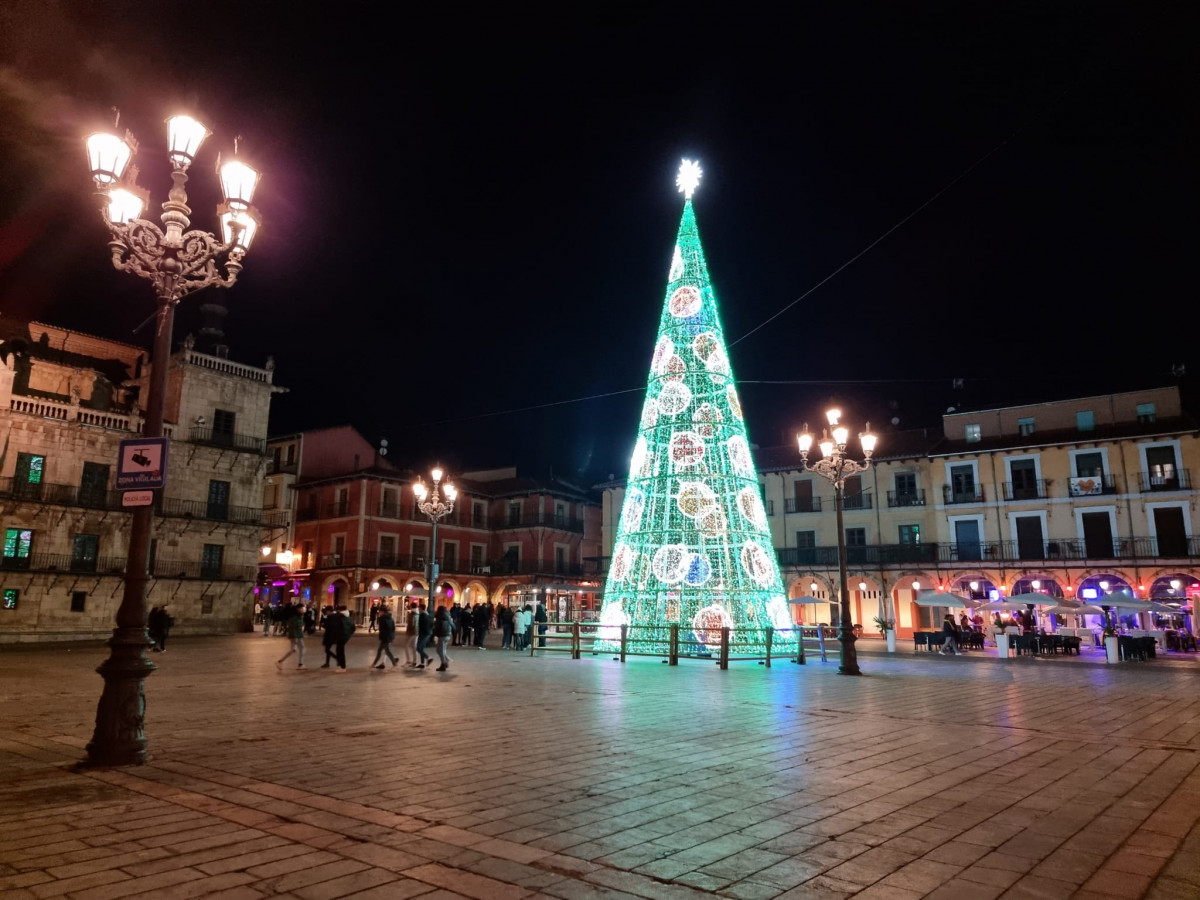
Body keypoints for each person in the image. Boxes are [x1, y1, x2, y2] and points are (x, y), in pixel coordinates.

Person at [277, 601, 307, 670]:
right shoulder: (294, 618)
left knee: (294, 649)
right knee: (300, 648)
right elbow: (292, 628)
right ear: (298, 609)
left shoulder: (300, 617)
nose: (303, 610)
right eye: (302, 608)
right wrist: (295, 636)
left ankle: (281, 661)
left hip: (297, 635)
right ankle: (300, 664)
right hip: (295, 635)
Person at [372, 603, 398, 669]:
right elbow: (393, 628)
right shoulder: (391, 618)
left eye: (379, 611)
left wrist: (382, 636)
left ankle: (394, 664)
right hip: (389, 637)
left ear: (382, 612)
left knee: (387, 651)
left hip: (385, 637)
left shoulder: (382, 619)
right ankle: (374, 664)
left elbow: (382, 629)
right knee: (380, 650)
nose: (379, 613)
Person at [333, 604, 354, 672]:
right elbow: (353, 627)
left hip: (340, 636)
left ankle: (342, 666)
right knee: (339, 650)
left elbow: (336, 627)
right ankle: (341, 665)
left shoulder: (339, 617)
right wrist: (348, 634)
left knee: (340, 651)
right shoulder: (349, 617)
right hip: (345, 636)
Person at [434, 604, 453, 671]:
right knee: (442, 649)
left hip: (442, 635)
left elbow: (437, 627)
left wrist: (434, 634)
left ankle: (443, 664)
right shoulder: (447, 616)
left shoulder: (440, 617)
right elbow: (452, 625)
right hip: (448, 634)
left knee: (440, 650)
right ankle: (446, 660)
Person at [415, 601, 433, 668]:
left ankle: (428, 658)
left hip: (423, 633)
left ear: (421, 609)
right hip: (428, 633)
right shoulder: (428, 615)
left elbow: (421, 625)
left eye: (419, 609)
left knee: (418, 648)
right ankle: (422, 663)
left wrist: (419, 632)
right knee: (421, 648)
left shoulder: (422, 615)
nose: (418, 610)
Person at [403, 600, 419, 666]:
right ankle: (414, 661)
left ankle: (408, 660)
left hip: (411, 632)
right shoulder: (418, 614)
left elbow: (411, 624)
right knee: (414, 647)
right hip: (416, 632)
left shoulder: (411, 614)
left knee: (406, 646)